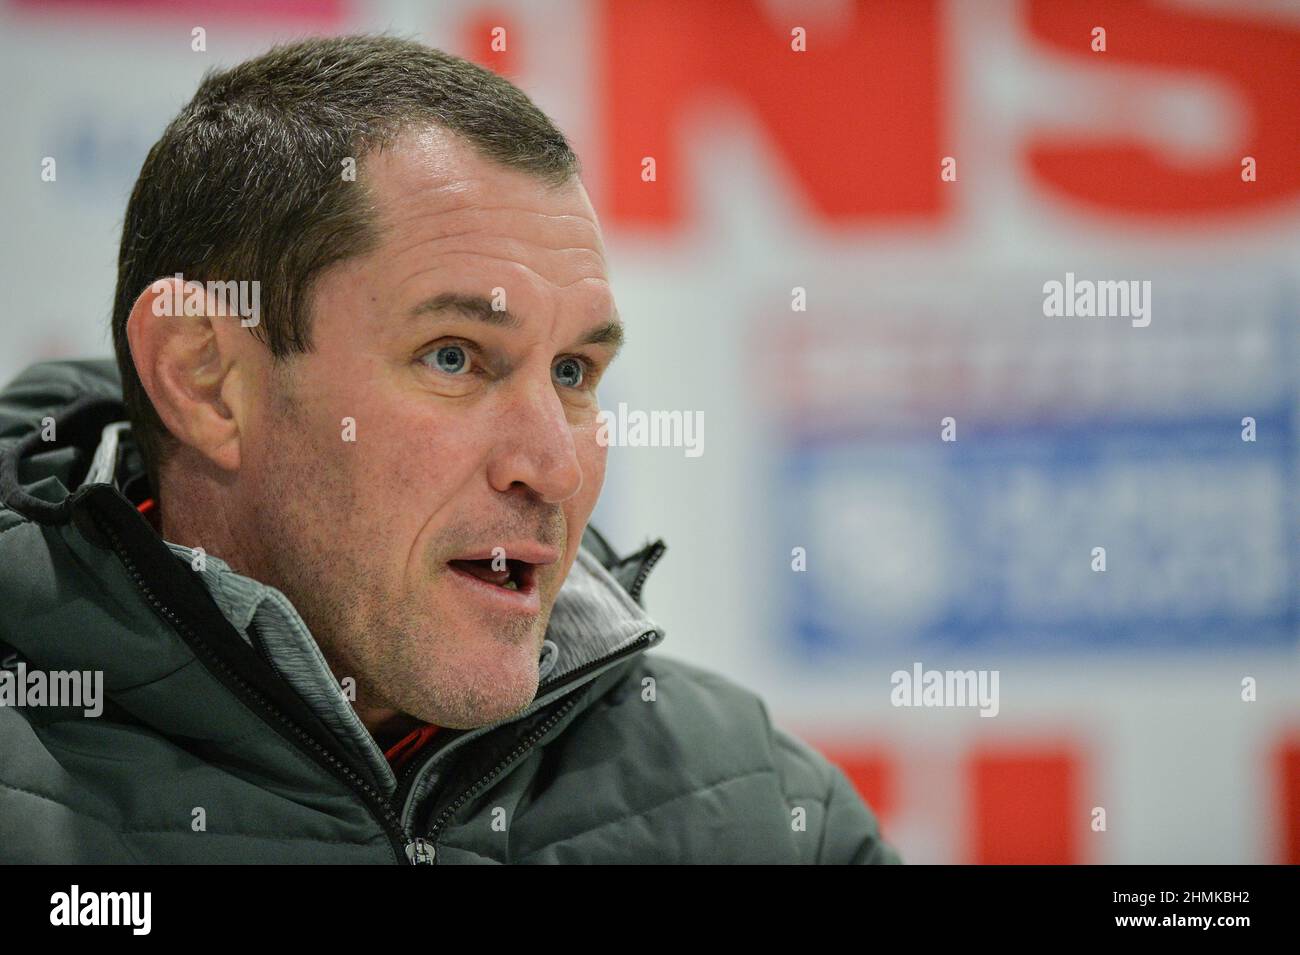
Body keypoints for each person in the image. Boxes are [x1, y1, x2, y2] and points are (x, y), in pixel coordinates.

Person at [0, 35, 899, 864]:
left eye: (576, 371)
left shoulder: (765, 808)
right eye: (456, 357)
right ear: (206, 381)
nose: (554, 466)